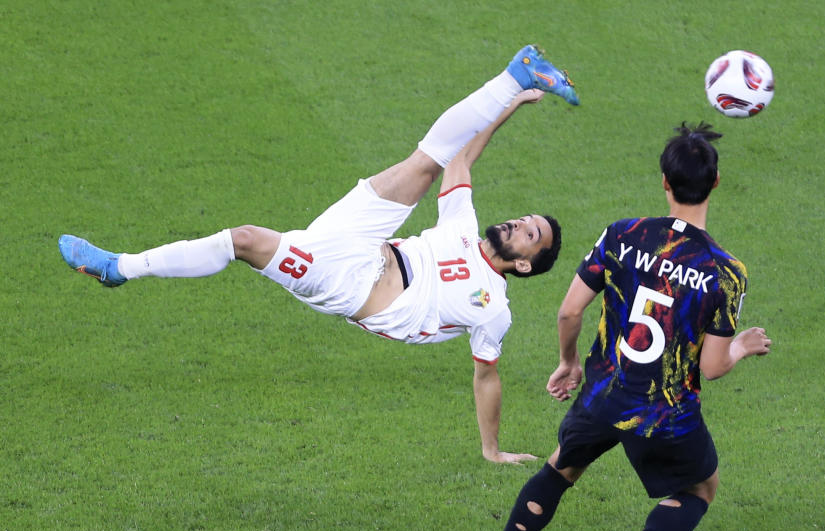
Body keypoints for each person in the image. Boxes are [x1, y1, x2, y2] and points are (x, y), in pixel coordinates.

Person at [58, 45, 578, 464]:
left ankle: (118, 268)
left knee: (243, 239)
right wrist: (512, 103)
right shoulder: (463, 226)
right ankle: (517, 74)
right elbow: (460, 153)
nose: (518, 223)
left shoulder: (492, 306)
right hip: (359, 241)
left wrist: (491, 449)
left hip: (349, 285)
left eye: (529, 234)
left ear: (524, 263)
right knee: (426, 162)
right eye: (525, 219)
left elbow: (486, 375)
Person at [473, 123, 772, 531]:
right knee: (700, 489)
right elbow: (713, 366)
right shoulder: (725, 270)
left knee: (559, 470)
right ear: (716, 183)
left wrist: (569, 362)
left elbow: (569, 311)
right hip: (664, 414)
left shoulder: (623, 234)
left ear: (664, 182)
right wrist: (741, 346)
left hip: (604, 395)